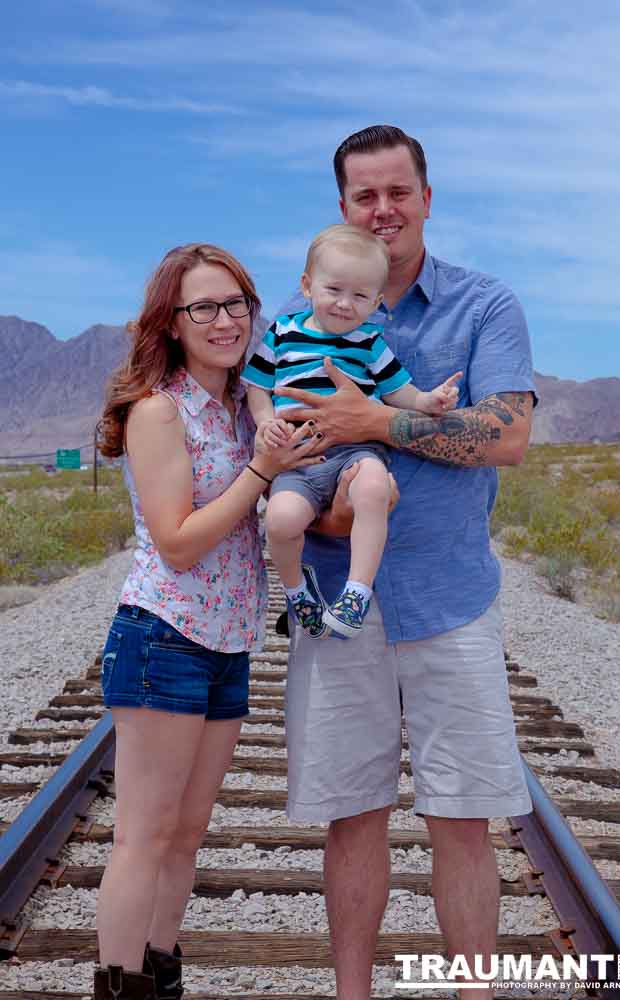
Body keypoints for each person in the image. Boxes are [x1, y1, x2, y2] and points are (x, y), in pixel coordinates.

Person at [278, 126, 537, 1000]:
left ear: (426, 195)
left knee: (462, 818)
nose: (382, 210)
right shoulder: (310, 312)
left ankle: (473, 992)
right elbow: (261, 430)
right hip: (334, 597)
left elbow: (506, 436)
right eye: (364, 197)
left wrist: (376, 424)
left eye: (397, 192)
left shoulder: (483, 305)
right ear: (342, 207)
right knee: (351, 818)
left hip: (448, 597)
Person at [94, 243, 322, 1000]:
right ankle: (118, 985)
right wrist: (261, 473)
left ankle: (161, 973)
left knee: (186, 835)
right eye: (204, 307)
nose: (224, 321)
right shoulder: (158, 411)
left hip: (227, 642)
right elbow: (180, 543)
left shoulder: (241, 406)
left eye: (236, 304)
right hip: (164, 636)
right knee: (143, 837)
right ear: (172, 320)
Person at [242, 223, 460, 639]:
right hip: (299, 459)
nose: (345, 304)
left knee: (374, 490)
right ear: (308, 286)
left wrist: (429, 402)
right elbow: (257, 385)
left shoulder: (370, 343)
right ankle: (297, 591)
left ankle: (355, 592)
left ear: (376, 301)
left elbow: (400, 392)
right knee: (281, 520)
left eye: (360, 296)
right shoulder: (283, 332)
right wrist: (266, 422)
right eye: (334, 290)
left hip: (357, 454)